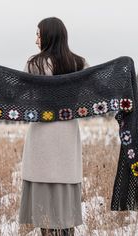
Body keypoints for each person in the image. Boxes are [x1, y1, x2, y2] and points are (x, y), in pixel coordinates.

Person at [18, 17, 89, 236]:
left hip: (41, 137)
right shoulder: (79, 64)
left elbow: (21, 97)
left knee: (45, 214)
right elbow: (88, 98)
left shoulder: (34, 64)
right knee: (65, 210)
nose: (36, 39)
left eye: (39, 34)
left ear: (49, 35)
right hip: (67, 136)